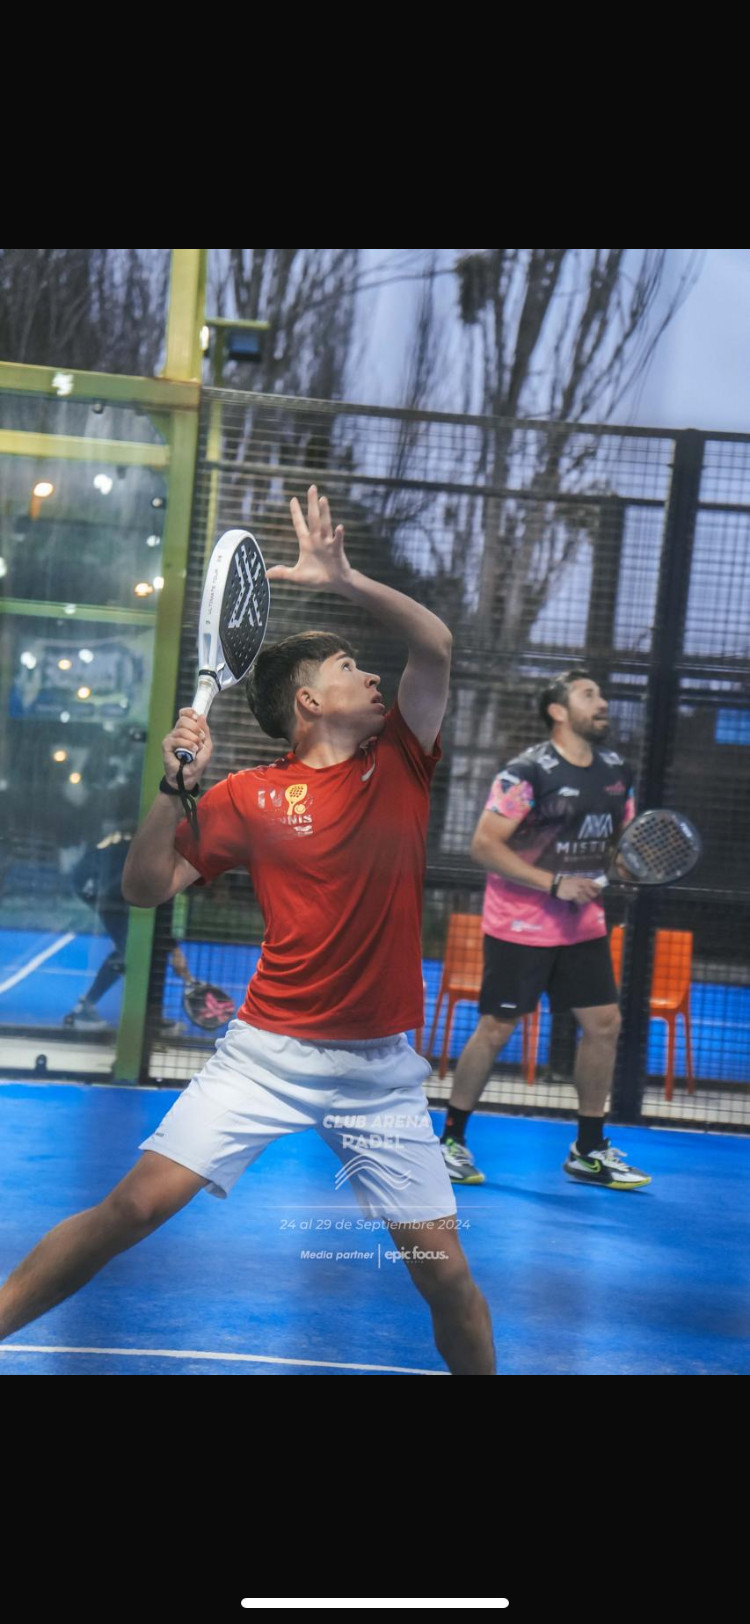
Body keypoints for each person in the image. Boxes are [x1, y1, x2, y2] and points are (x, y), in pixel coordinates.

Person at [0, 488, 495, 1375]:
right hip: (267, 1056)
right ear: (308, 701)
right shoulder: (248, 797)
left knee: (446, 1275)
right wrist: (175, 787)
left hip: (379, 1074)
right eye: (350, 666)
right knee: (133, 1210)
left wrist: (344, 580)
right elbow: (145, 887)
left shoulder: (402, 763)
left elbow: (436, 645)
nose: (372, 678)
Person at [440, 667, 650, 1192]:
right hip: (520, 926)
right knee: (497, 1027)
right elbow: (484, 845)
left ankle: (589, 1150)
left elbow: (621, 845)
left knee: (604, 1024)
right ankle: (450, 1140)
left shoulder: (616, 771)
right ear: (558, 711)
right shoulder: (527, 773)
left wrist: (623, 867)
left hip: (582, 927)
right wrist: (554, 884)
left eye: (601, 693)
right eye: (588, 694)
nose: (602, 702)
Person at [63, 830, 186, 1035]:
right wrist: (173, 948)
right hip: (103, 887)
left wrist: (171, 947)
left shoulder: (169, 855)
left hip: (114, 885)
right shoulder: (165, 857)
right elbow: (156, 906)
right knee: (129, 949)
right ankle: (82, 1010)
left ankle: (150, 1017)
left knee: (137, 947)